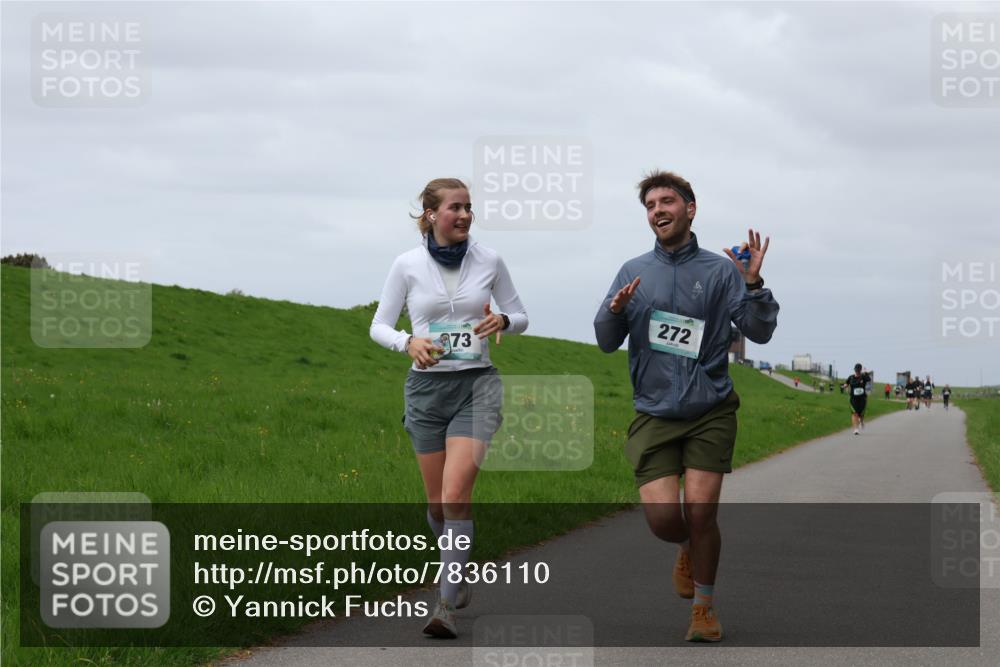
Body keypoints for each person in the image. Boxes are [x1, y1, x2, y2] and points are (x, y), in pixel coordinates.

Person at [594, 170, 779, 643]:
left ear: (689, 209)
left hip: (710, 409)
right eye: (650, 204)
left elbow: (758, 332)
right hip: (654, 411)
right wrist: (614, 311)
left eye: (667, 201)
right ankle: (684, 548)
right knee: (664, 521)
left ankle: (704, 606)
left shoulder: (720, 271)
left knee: (701, 513)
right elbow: (605, 341)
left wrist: (754, 284)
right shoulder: (633, 271)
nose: (658, 209)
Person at [370, 177, 528, 638]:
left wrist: (503, 319)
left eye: (469, 208)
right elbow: (379, 324)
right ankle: (457, 569)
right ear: (431, 215)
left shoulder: (489, 260)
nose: (464, 215)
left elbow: (520, 314)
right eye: (455, 208)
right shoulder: (407, 265)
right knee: (438, 506)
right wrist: (408, 342)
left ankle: (445, 601)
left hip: (477, 387)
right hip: (425, 392)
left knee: (457, 495)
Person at [841, 364, 871, 434]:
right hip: (853, 399)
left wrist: (866, 372)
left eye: (858, 370)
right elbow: (847, 383)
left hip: (862, 398)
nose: (857, 371)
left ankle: (861, 420)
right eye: (856, 370)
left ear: (860, 370)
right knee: (854, 413)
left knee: (861, 414)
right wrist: (843, 386)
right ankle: (856, 429)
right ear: (854, 370)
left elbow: (869, 379)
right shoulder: (851, 377)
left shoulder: (863, 377)